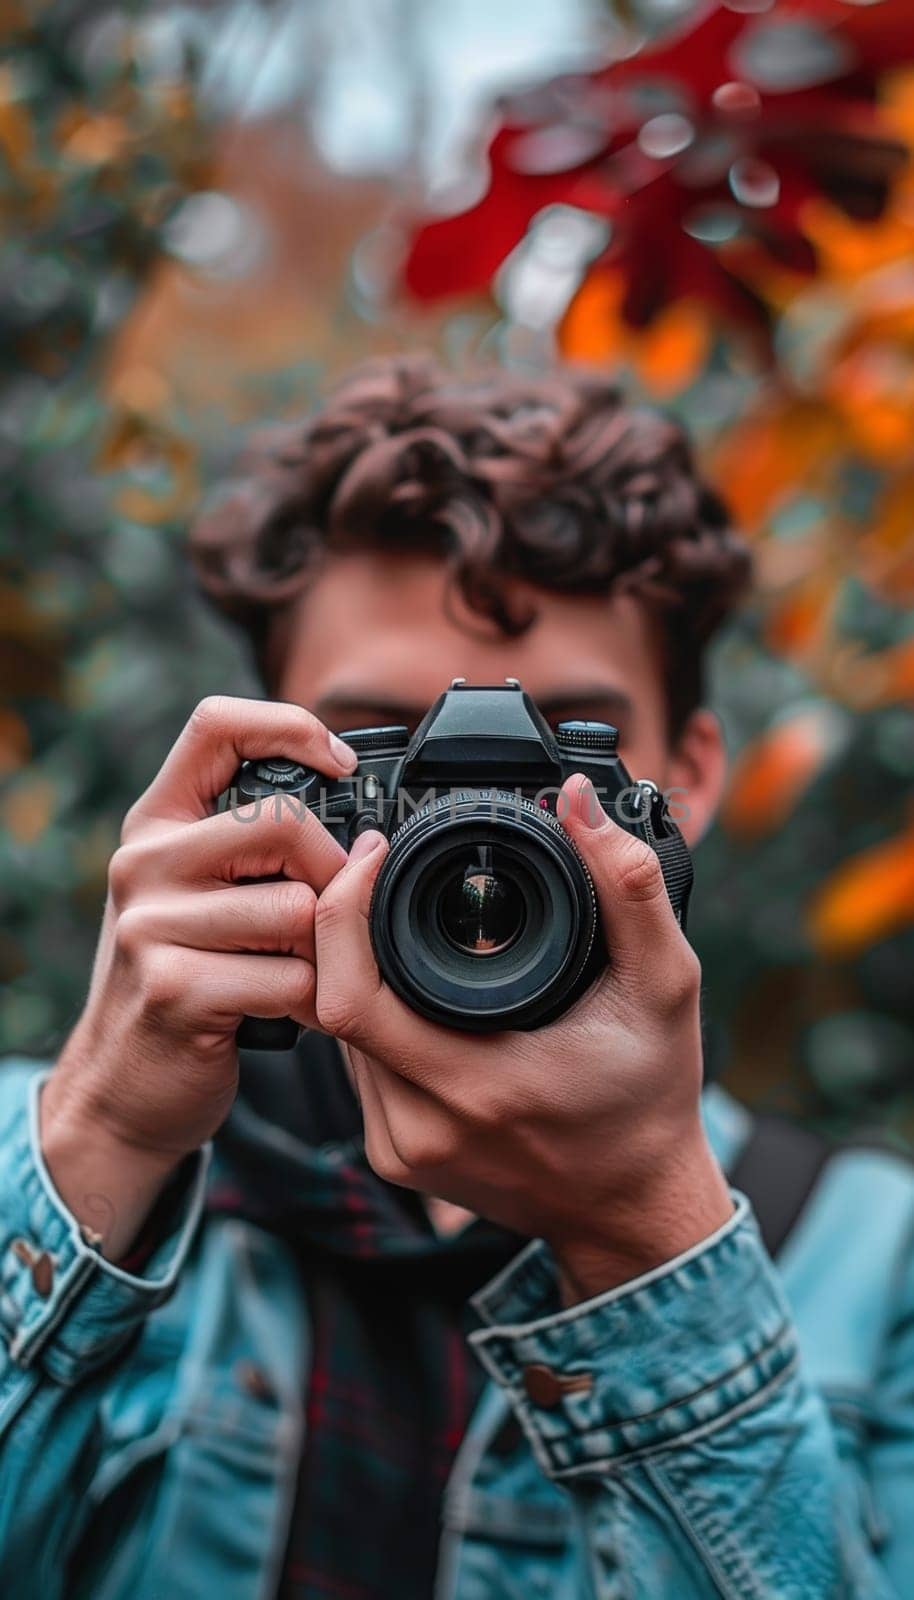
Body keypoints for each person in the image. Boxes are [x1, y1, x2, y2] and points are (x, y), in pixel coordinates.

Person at [0, 357, 912, 1600]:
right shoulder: (48, 1159)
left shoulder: (880, 1261)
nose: (472, 830)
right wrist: (102, 1135)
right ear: (259, 770)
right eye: (385, 749)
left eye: (561, 754)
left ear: (684, 784)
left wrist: (644, 1237)